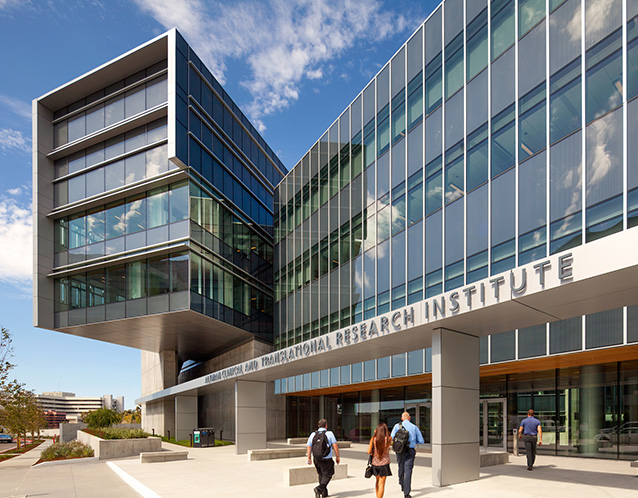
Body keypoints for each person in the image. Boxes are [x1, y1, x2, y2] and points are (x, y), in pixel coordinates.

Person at [391, 412, 424, 498]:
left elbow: (392, 437)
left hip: (399, 450)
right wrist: (413, 441)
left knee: (400, 466)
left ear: (402, 418)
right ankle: (406, 493)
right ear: (409, 418)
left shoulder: (396, 426)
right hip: (410, 450)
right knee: (408, 470)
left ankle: (402, 484)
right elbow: (421, 441)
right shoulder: (414, 427)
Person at [306, 418, 340, 498]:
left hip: (316, 458)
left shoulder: (313, 434)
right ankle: (319, 489)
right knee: (328, 474)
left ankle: (323, 493)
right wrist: (337, 456)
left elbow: (309, 446)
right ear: (326, 426)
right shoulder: (329, 433)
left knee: (321, 474)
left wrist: (309, 458)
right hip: (327, 458)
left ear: (318, 426)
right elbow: (335, 445)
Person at [367, 422, 392, 498]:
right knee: (382, 484)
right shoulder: (388, 439)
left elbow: (368, 451)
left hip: (375, 463)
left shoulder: (373, 439)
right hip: (384, 464)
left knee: (377, 482)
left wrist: (375, 434)